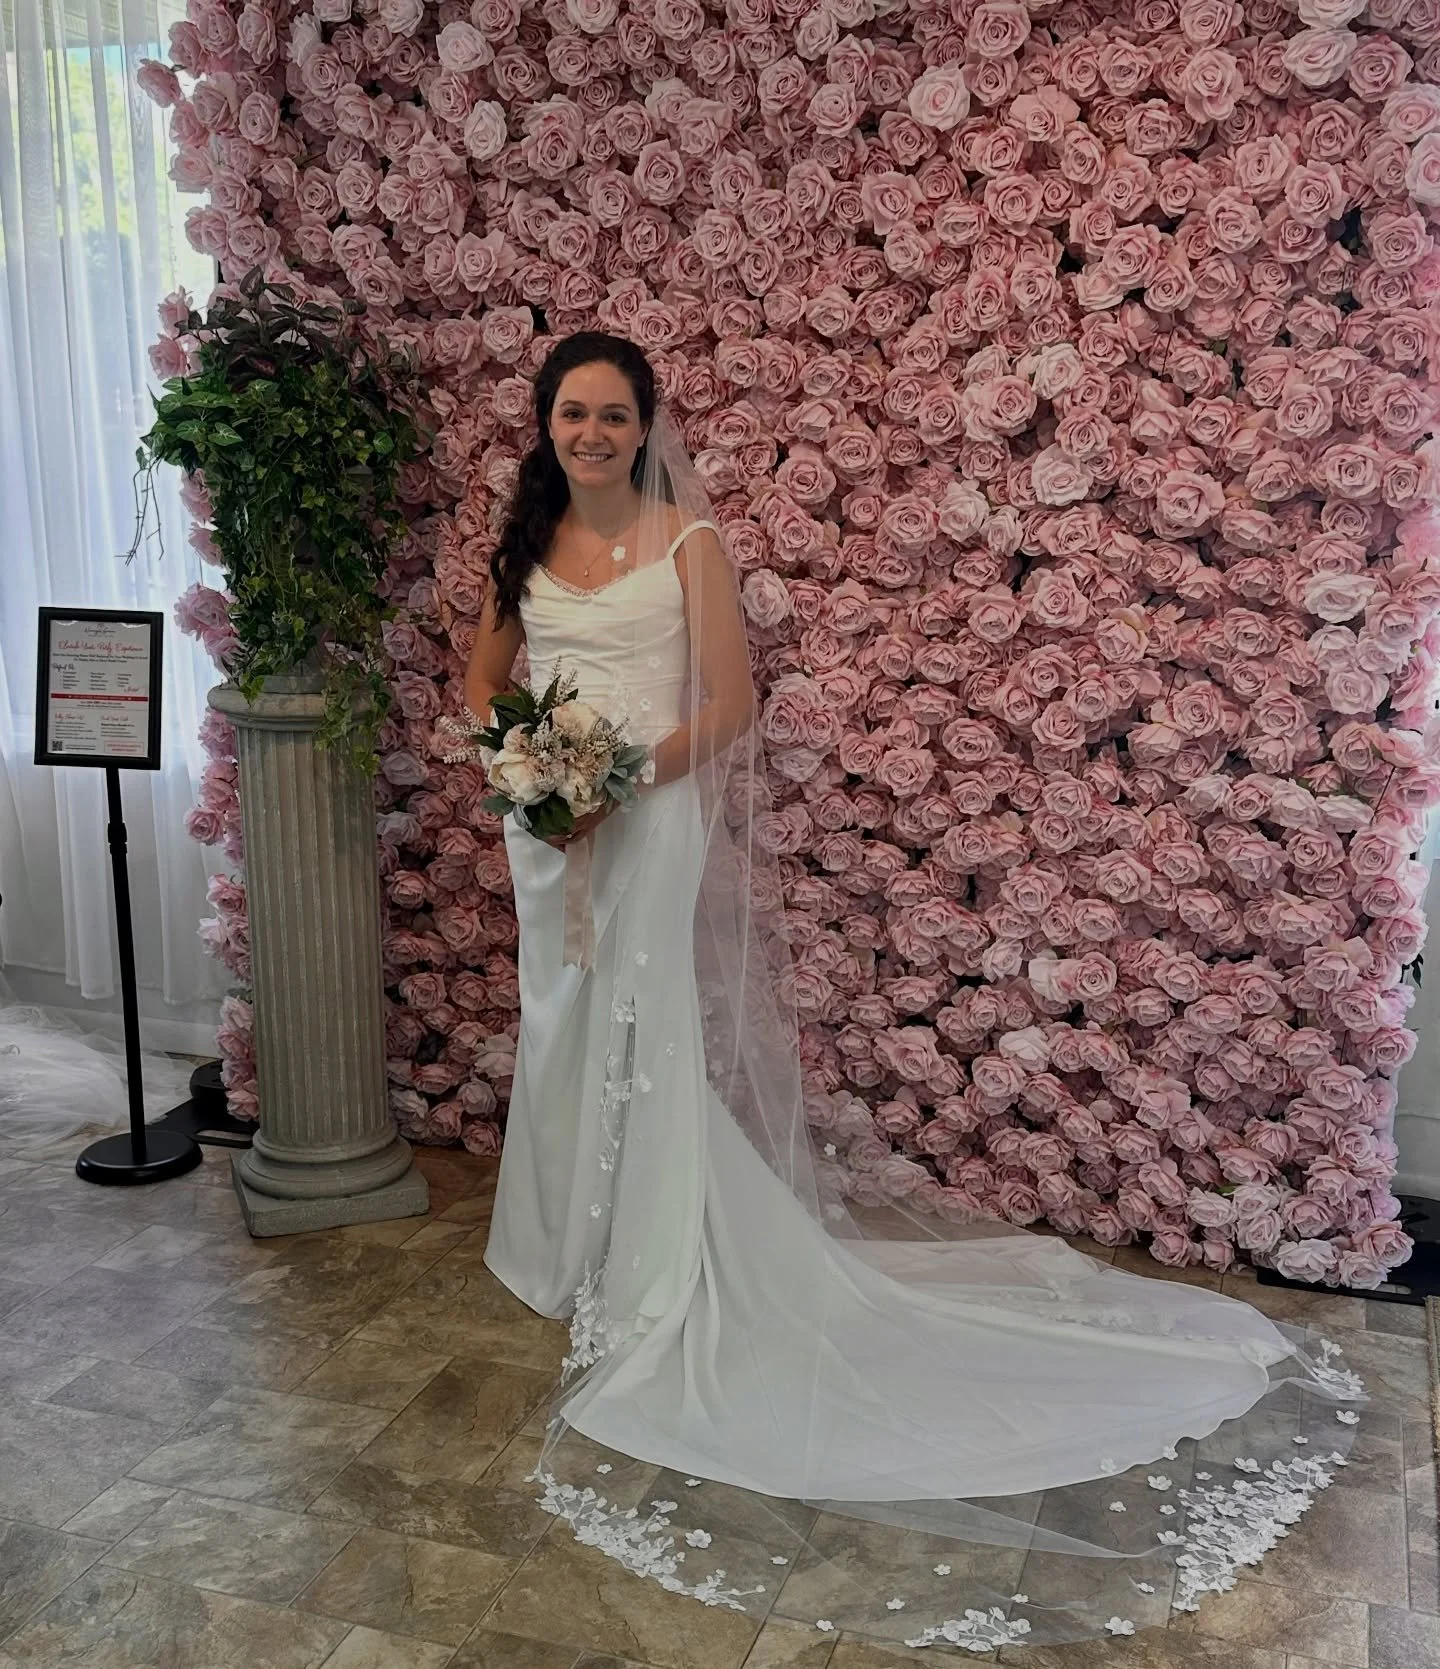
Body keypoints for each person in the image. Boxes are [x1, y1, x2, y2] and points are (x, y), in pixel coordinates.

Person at [460, 332, 1364, 1652]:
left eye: (608, 414)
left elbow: (730, 704)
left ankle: (643, 1261)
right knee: (560, 1018)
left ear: (646, 423)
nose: (586, 432)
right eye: (567, 413)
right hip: (546, 818)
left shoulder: (684, 544)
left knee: (641, 1021)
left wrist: (618, 777)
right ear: (545, 422)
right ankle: (558, 1244)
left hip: (645, 815)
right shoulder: (526, 536)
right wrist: (531, 769)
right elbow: (485, 679)